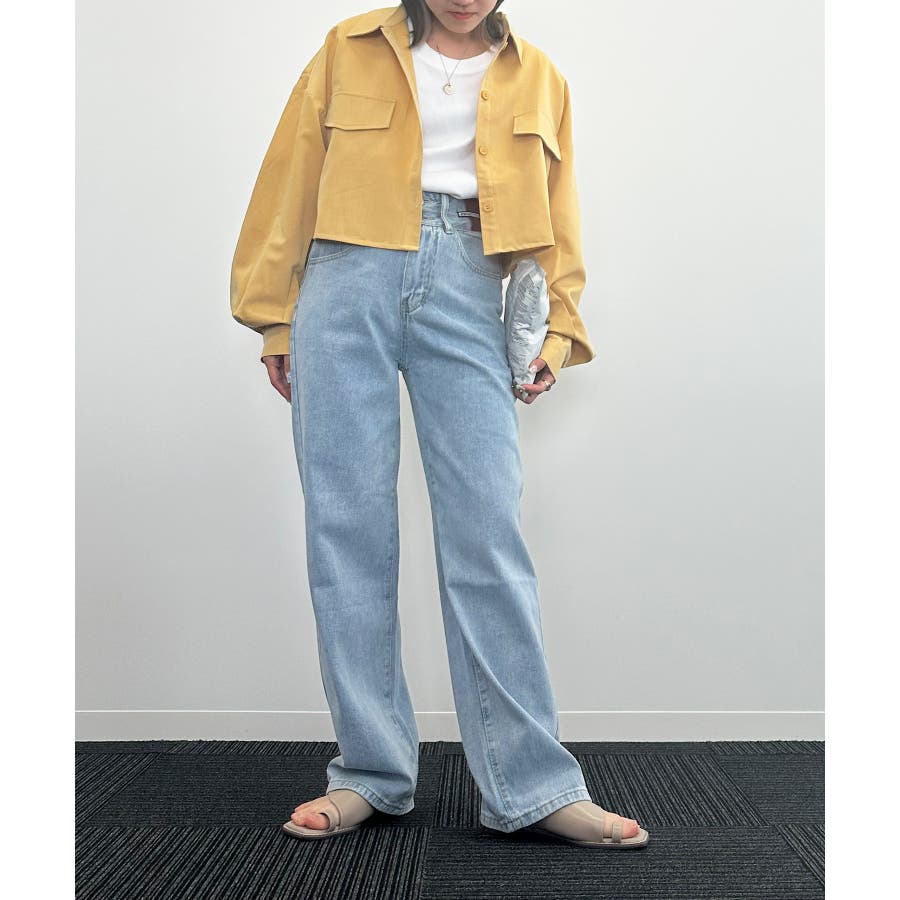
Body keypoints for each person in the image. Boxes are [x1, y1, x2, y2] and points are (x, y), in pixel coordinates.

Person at [230, 0, 649, 850]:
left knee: (488, 530)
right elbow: (290, 178)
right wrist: (274, 317)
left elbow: (558, 215)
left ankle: (533, 784)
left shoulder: (540, 76)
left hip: (470, 277)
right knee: (347, 529)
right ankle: (370, 774)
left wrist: (558, 329)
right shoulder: (347, 48)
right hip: (345, 278)